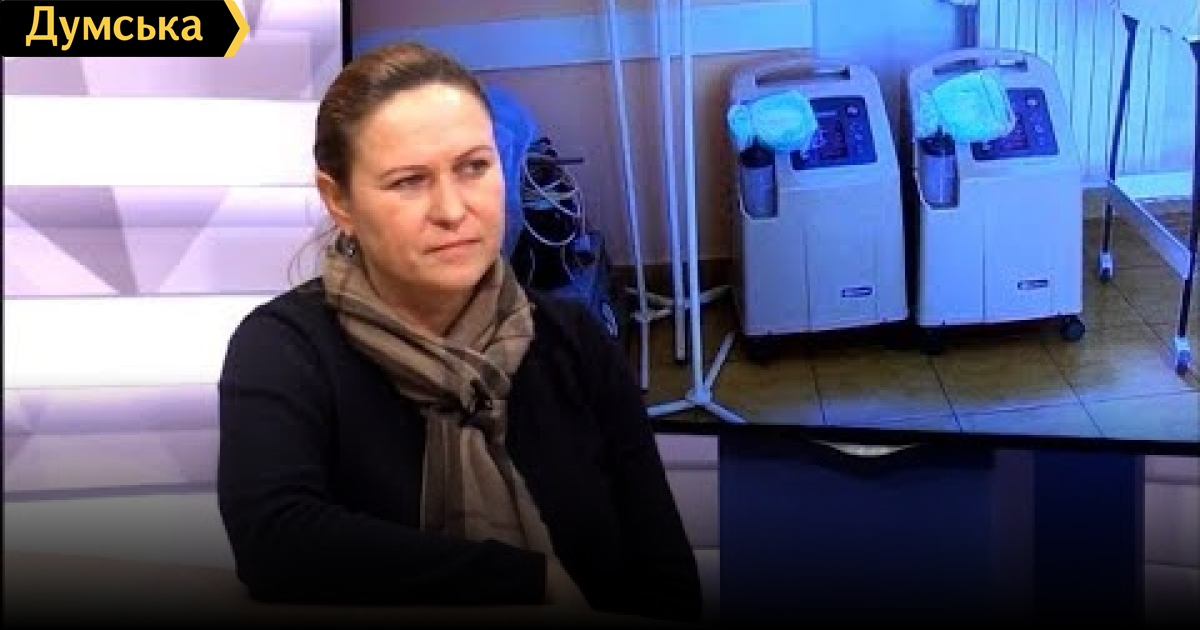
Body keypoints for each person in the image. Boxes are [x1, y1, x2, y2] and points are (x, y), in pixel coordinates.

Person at [215, 41, 704, 623]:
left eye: (474, 167)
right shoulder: (283, 348)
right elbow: (274, 540)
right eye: (408, 181)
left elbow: (667, 581)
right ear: (338, 200)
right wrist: (526, 581)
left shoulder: (575, 340)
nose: (452, 210)